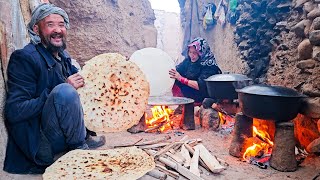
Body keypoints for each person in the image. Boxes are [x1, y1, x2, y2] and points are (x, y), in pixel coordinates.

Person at [4, 3, 105, 174]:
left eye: (61, 24)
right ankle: (78, 151)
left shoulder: (63, 56)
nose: (57, 30)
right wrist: (61, 88)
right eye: (50, 25)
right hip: (42, 140)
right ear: (37, 29)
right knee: (65, 91)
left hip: (63, 129)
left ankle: (82, 137)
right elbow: (14, 111)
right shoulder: (25, 58)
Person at [169, 37, 222, 104]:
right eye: (190, 52)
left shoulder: (210, 66)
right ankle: (180, 104)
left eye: (195, 53)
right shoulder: (188, 61)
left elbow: (200, 86)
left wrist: (181, 78)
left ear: (201, 53)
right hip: (191, 95)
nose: (191, 55)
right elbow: (177, 70)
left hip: (205, 97)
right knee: (174, 79)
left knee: (180, 80)